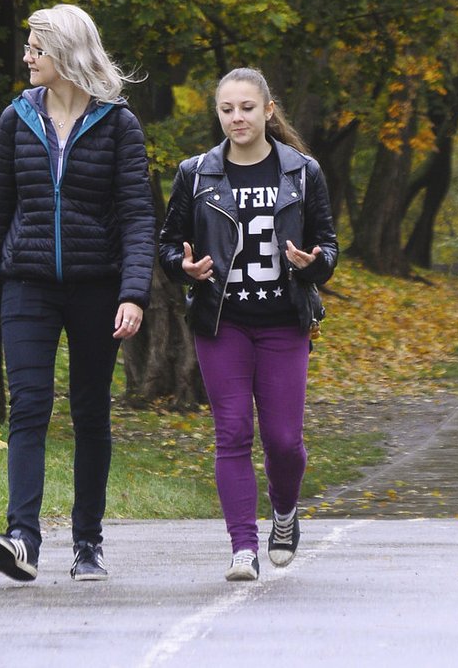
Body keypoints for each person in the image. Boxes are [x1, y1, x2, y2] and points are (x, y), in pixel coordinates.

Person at [0, 4, 155, 584]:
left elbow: (138, 218)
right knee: (29, 406)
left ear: (66, 54)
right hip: (26, 285)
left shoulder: (118, 125)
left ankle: (88, 542)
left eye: (36, 48)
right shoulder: (14, 119)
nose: (26, 57)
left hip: (98, 288)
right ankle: (22, 538)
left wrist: (134, 292)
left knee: (91, 412)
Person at [158, 67, 338, 583]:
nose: (237, 118)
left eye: (247, 108)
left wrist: (313, 263)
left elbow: (330, 245)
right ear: (218, 114)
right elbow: (169, 244)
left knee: (283, 440)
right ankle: (242, 547)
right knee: (232, 432)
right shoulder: (196, 174)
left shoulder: (303, 173)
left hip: (285, 323)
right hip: (222, 323)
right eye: (227, 109)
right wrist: (183, 268)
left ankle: (284, 512)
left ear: (268, 111)